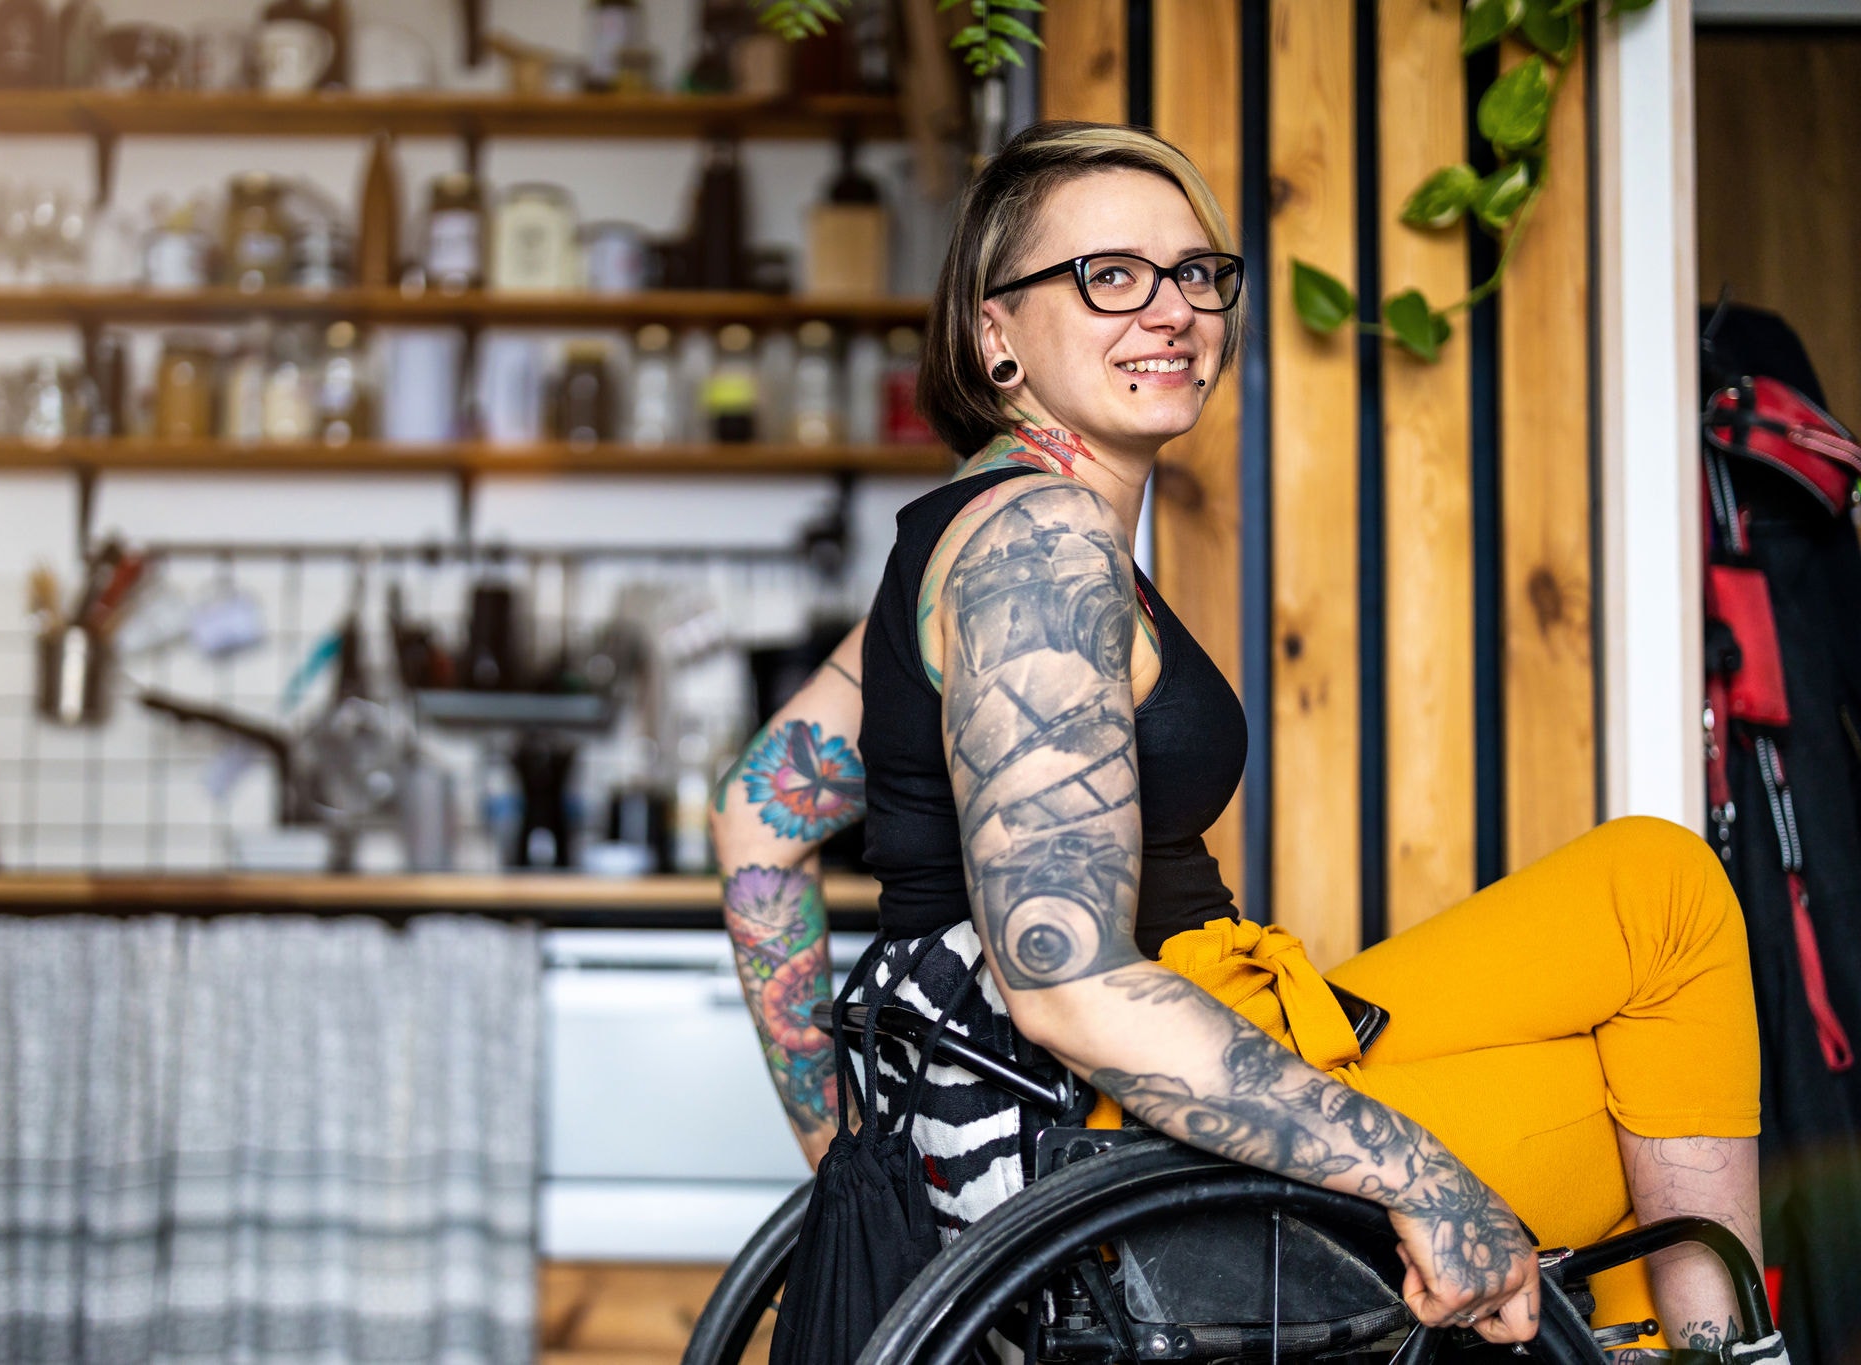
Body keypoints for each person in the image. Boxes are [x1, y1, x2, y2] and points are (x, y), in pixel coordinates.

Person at [711, 120, 1776, 1361]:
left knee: (1655, 892)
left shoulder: (981, 531)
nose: (1168, 311)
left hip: (1206, 1012)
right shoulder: (1037, 544)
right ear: (992, 333)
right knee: (1621, 1124)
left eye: (1194, 274)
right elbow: (1058, 974)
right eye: (1106, 276)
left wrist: (855, 1144)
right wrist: (1417, 1177)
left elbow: (757, 811)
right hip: (1105, 1133)